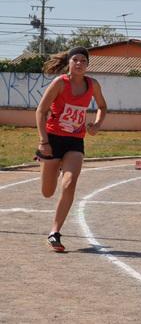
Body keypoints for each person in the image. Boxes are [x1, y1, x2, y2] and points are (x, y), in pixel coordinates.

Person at [35, 46, 107, 252]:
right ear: (69, 62)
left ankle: (54, 232)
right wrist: (43, 141)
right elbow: (41, 111)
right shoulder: (60, 83)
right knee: (48, 192)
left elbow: (102, 106)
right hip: (53, 140)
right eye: (75, 60)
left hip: (75, 140)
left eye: (83, 61)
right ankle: (52, 165)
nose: (79, 64)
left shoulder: (92, 85)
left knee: (69, 184)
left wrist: (97, 124)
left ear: (87, 65)